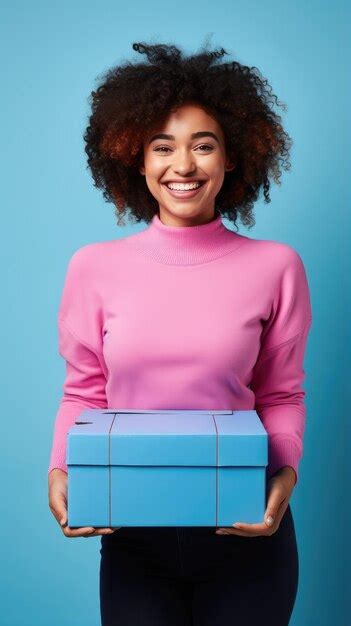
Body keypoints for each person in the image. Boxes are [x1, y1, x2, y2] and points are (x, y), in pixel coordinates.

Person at [48, 41, 313, 626]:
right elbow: (85, 392)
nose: (183, 165)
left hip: (248, 532)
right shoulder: (93, 267)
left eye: (204, 145)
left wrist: (284, 480)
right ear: (135, 160)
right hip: (134, 536)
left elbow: (281, 395)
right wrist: (61, 470)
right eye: (162, 147)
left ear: (233, 158)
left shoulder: (277, 266)